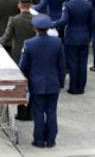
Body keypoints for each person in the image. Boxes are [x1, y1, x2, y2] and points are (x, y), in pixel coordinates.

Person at [20, 14, 66, 149]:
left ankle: (39, 140)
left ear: (34, 28)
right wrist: (61, 83)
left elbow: (23, 66)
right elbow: (62, 66)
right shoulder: (57, 42)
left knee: (38, 113)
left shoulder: (29, 43)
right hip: (53, 83)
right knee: (52, 112)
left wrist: (26, 81)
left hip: (36, 84)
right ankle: (51, 140)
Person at [53, 0, 93, 95]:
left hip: (71, 37)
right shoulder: (88, 5)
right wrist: (89, 36)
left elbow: (64, 21)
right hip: (84, 36)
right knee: (83, 63)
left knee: (73, 63)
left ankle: (73, 88)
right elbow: (91, 23)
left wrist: (52, 24)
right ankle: (81, 87)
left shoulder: (67, 5)